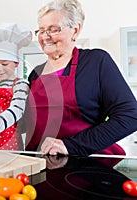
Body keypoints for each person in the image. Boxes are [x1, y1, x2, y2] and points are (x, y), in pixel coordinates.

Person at [23, 0, 137, 156]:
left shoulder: (96, 62)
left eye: (53, 29)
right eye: (41, 30)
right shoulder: (35, 73)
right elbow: (28, 123)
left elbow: (130, 115)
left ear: (75, 31)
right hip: (40, 165)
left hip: (84, 166)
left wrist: (71, 146)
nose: (45, 36)